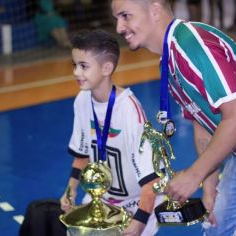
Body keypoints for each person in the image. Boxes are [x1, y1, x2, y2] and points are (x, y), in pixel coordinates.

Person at [111, 0, 236, 235]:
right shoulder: (169, 60)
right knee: (215, 228)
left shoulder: (193, 43)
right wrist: (209, 187)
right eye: (117, 19)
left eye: (125, 16)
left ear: (154, 10)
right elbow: (202, 125)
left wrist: (194, 175)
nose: (119, 28)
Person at [59, 29, 162, 236]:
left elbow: (152, 179)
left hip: (139, 201)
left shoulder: (129, 109)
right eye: (75, 65)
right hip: (101, 199)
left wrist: (140, 220)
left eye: (84, 66)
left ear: (106, 68)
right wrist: (70, 191)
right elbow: (81, 154)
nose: (76, 72)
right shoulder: (82, 101)